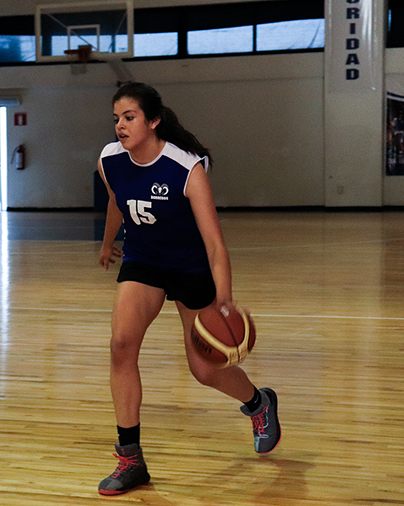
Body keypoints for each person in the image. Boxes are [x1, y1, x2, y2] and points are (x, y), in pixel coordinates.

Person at [95, 82, 280, 496]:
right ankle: (131, 460)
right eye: (116, 119)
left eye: (129, 117)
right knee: (121, 346)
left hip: (190, 266)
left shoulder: (185, 166)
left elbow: (215, 244)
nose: (120, 126)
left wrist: (226, 299)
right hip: (143, 262)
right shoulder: (111, 160)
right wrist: (108, 243)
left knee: (204, 369)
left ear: (153, 121)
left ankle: (258, 403)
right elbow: (115, 201)